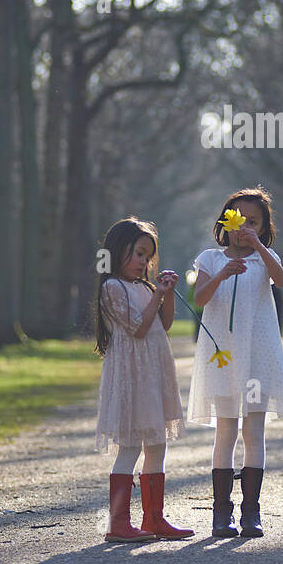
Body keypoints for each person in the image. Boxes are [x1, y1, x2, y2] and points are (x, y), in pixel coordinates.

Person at [187, 186, 283, 538]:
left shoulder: (265, 258)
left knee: (254, 431)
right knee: (226, 429)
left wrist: (259, 247)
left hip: (258, 355)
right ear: (225, 222)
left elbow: (282, 281)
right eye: (238, 220)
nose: (244, 227)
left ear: (263, 227)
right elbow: (200, 299)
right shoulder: (210, 258)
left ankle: (251, 511)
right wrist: (221, 274)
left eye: (254, 222)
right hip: (223, 356)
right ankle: (221, 512)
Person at [94, 217, 193, 542]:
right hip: (131, 376)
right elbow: (137, 328)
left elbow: (162, 325)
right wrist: (155, 296)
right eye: (138, 253)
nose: (143, 262)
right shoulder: (112, 288)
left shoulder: (146, 288)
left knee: (157, 444)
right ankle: (118, 523)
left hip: (153, 373)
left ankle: (154, 519)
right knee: (130, 446)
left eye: (148, 256)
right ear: (118, 250)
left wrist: (167, 293)